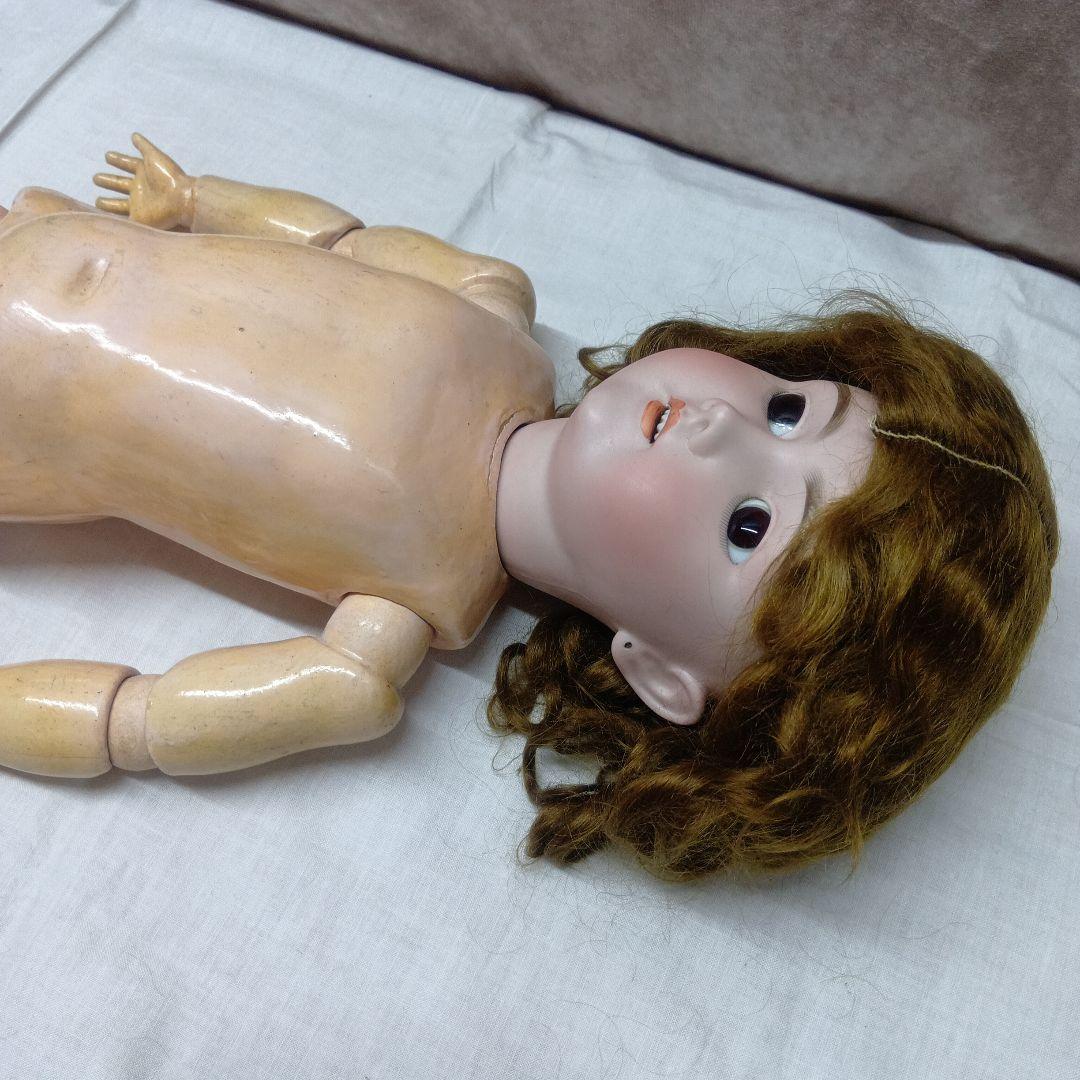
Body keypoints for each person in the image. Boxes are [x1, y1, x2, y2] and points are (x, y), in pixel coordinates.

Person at [0, 137, 1058, 883]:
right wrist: (200, 200)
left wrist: (50, 716)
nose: (717, 427)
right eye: (788, 410)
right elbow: (340, 241)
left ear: (658, 671)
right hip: (51, 232)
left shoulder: (382, 634)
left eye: (749, 525)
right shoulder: (495, 304)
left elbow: (144, 724)